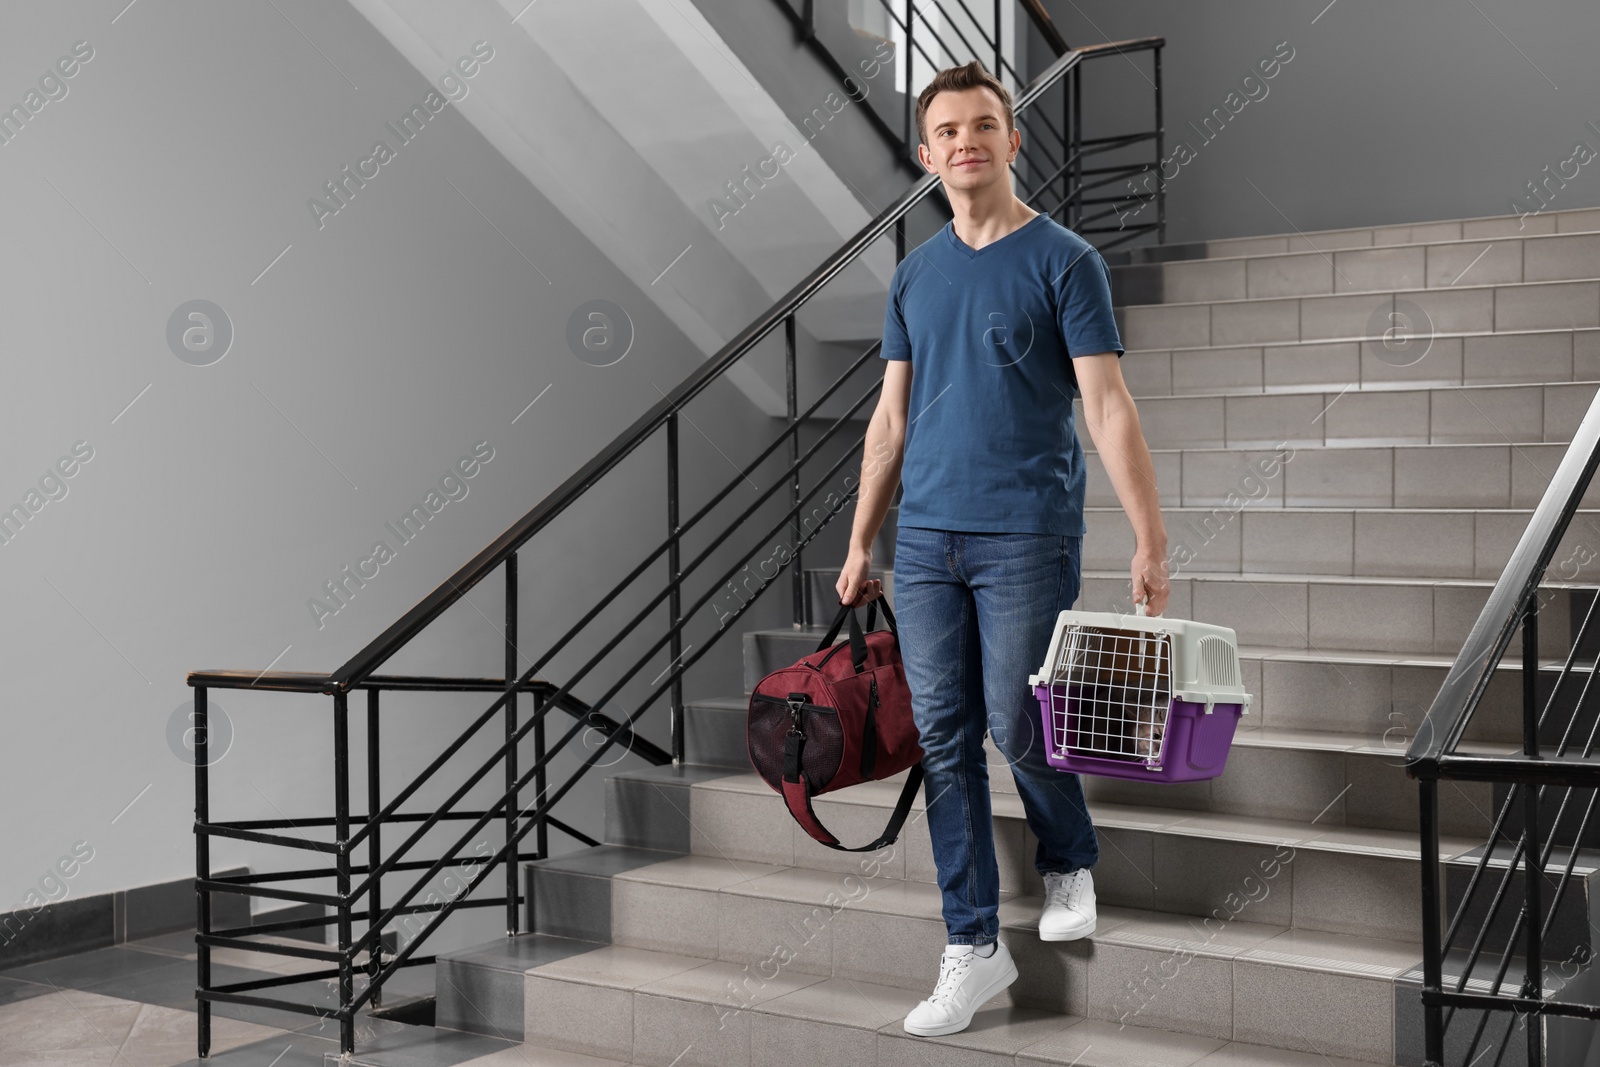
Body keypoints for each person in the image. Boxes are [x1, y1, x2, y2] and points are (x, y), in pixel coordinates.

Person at [835, 59, 1170, 1038]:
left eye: (983, 125)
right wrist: (862, 537)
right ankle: (972, 944)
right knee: (943, 738)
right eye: (946, 129)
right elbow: (888, 422)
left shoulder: (1065, 261)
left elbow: (1106, 405)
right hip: (927, 537)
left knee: (1016, 720)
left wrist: (1150, 537)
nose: (965, 141)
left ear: (1012, 141)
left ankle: (1067, 855)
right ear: (926, 149)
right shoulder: (913, 273)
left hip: (1026, 530)